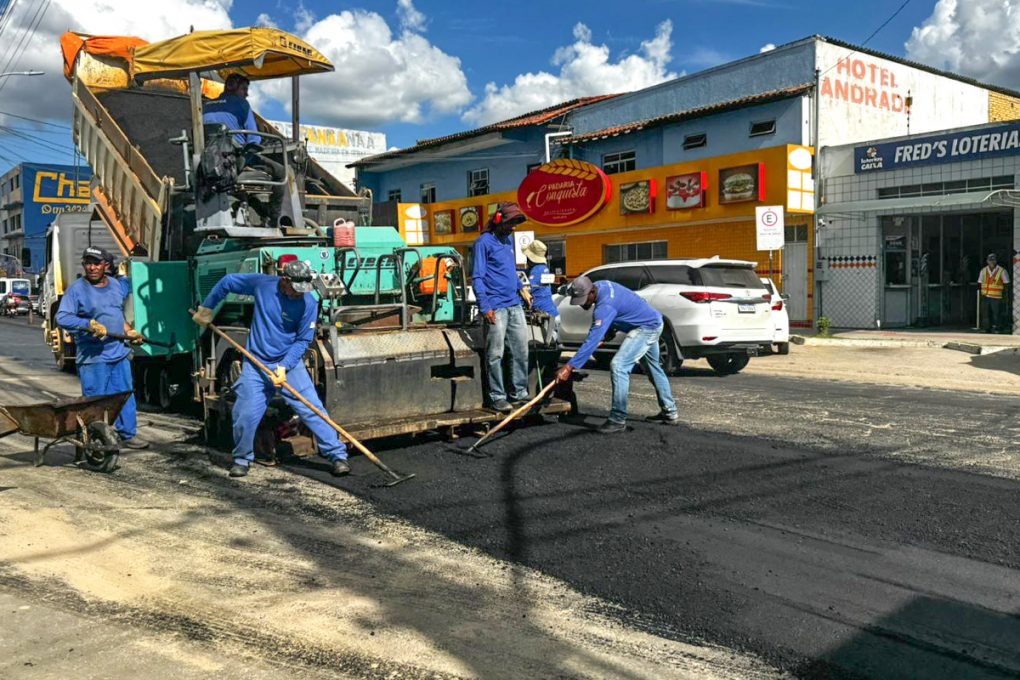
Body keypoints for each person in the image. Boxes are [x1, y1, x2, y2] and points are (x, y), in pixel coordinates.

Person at [191, 257, 349, 478]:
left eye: (303, 289)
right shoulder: (263, 285)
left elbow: (303, 341)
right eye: (295, 289)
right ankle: (242, 458)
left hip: (289, 365)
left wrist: (284, 366)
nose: (299, 293)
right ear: (284, 280)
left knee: (313, 409)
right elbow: (227, 282)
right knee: (245, 414)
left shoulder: (308, 304)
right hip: (256, 364)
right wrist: (207, 307)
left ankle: (337, 455)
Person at [555, 275, 678, 433]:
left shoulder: (604, 307)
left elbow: (591, 341)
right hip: (652, 320)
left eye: (584, 299)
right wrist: (612, 328)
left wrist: (569, 367)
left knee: (619, 366)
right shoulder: (602, 285)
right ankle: (670, 412)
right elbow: (623, 305)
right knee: (653, 369)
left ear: (592, 292)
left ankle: (618, 419)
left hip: (646, 328)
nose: (581, 304)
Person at [56, 246, 149, 449]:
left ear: (105, 265)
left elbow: (116, 314)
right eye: (87, 263)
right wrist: (87, 324)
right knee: (95, 402)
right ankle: (94, 439)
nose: (91, 267)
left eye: (96, 263)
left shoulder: (116, 285)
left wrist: (130, 331)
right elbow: (62, 317)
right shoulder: (77, 290)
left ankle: (127, 434)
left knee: (124, 395)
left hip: (118, 353)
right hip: (93, 357)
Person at [472, 202, 532, 413]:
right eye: (510, 223)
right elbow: (477, 277)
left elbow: (510, 270)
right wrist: (485, 306)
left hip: (514, 305)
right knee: (495, 354)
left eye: (516, 223)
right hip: (495, 307)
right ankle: (497, 396)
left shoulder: (507, 241)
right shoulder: (483, 243)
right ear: (498, 221)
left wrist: (521, 287)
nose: (513, 227)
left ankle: (519, 393)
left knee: (520, 350)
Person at [202, 74, 261, 145]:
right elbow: (254, 138)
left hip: (207, 151)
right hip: (234, 153)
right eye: (244, 89)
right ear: (232, 87)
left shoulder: (206, 105)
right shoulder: (242, 104)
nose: (246, 94)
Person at [521, 239, 560, 345]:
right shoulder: (542, 268)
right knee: (550, 343)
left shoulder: (537, 270)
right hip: (550, 311)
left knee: (546, 344)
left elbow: (528, 289)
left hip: (544, 314)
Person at [977, 253, 1010, 333]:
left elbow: (1006, 284)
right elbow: (980, 283)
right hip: (985, 296)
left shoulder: (1002, 271)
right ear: (987, 261)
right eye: (990, 260)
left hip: (997, 297)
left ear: (996, 261)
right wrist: (981, 296)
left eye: (993, 260)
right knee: (986, 314)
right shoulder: (983, 271)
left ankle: (998, 328)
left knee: (997, 314)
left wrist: (1005, 297)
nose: (991, 262)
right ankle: (987, 328)